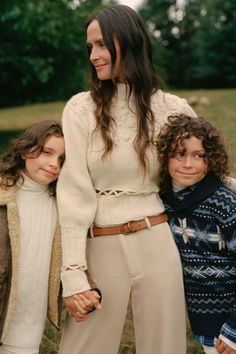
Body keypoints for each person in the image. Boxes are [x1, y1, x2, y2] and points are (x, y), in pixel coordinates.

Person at [57, 4, 197, 354]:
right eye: (90, 47)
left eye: (101, 45)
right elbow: (73, 193)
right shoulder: (80, 110)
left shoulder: (174, 109)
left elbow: (206, 172)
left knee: (165, 347)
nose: (94, 55)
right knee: (83, 348)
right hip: (101, 245)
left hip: (157, 242)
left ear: (129, 42)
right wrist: (73, 273)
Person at [156, 114, 236, 354]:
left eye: (199, 155)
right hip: (205, 324)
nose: (188, 164)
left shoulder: (225, 204)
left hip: (229, 327)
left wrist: (233, 331)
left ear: (211, 159)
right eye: (179, 154)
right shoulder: (163, 201)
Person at [0, 121, 65, 354]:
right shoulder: (3, 192)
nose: (53, 164)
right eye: (47, 152)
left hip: (29, 318)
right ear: (27, 149)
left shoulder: (61, 204)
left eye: (61, 159)